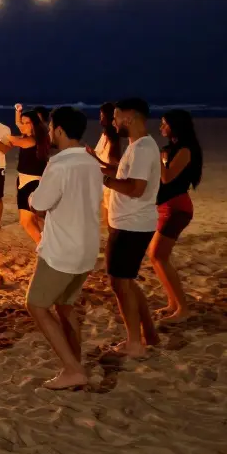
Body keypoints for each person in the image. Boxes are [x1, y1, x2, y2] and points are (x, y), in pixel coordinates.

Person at [25, 106, 102, 389]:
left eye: (51, 127)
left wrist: (32, 195)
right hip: (87, 247)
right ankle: (75, 363)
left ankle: (72, 368)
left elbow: (40, 203)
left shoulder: (58, 164)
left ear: (58, 130)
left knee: (36, 305)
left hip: (61, 250)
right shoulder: (92, 161)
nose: (49, 131)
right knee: (66, 306)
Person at [101, 98, 161, 358]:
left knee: (119, 283)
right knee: (127, 281)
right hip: (130, 223)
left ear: (129, 117)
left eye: (115, 117)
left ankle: (134, 343)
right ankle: (149, 334)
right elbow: (128, 178)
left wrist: (104, 179)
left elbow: (136, 189)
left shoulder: (142, 148)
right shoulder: (138, 146)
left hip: (132, 225)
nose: (113, 122)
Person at [151, 109, 203, 322]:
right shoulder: (171, 149)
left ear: (175, 125)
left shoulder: (185, 150)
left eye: (164, 124)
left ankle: (182, 308)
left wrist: (161, 160)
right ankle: (173, 303)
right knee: (156, 257)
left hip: (176, 208)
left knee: (158, 256)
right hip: (165, 207)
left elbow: (168, 178)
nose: (161, 127)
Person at [0, 105, 51, 243]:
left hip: (33, 183)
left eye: (26, 123)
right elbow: (9, 138)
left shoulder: (31, 141)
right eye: (22, 123)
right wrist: (17, 112)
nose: (22, 126)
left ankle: (43, 246)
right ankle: (45, 243)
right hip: (24, 181)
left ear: (34, 125)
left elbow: (11, 139)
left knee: (30, 219)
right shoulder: (31, 137)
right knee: (32, 219)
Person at [89, 102, 123, 226]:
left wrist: (94, 157)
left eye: (102, 115)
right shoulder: (105, 135)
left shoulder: (113, 138)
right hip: (102, 180)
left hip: (108, 182)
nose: (100, 118)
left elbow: (114, 165)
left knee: (110, 217)